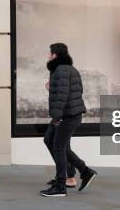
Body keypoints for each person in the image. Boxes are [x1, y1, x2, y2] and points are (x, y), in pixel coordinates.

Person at [40, 43, 97, 197]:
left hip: (67, 116)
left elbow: (62, 96)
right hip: (69, 114)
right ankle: (84, 171)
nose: (48, 56)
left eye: (50, 53)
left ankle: (61, 186)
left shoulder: (60, 70)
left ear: (55, 55)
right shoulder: (69, 70)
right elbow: (73, 91)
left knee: (59, 148)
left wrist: (57, 118)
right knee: (50, 140)